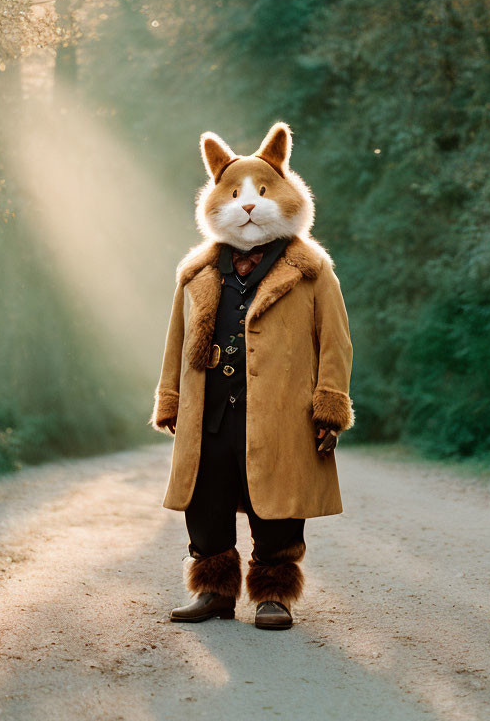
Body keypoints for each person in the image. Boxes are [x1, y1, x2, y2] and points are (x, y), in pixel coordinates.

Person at [149, 122, 354, 629]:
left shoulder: (312, 269)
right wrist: (171, 399)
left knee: (279, 501)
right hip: (211, 411)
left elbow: (336, 341)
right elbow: (175, 342)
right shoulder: (196, 272)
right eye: (235, 193)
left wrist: (329, 405)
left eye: (260, 192)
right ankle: (214, 590)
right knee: (207, 496)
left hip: (284, 410)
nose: (247, 204)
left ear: (283, 192)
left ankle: (273, 593)